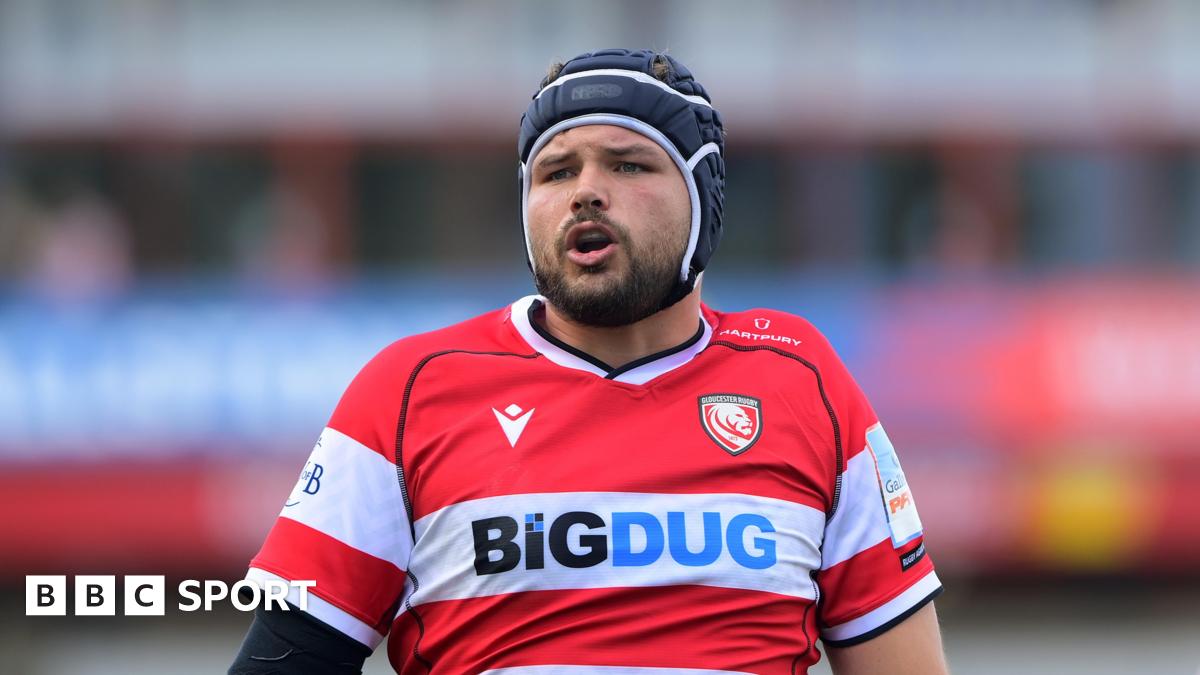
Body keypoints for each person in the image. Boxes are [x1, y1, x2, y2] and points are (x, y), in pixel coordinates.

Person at [229, 48, 948, 675]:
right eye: (555, 172)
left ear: (704, 198)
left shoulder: (804, 381)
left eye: (628, 164)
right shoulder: (408, 390)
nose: (585, 192)